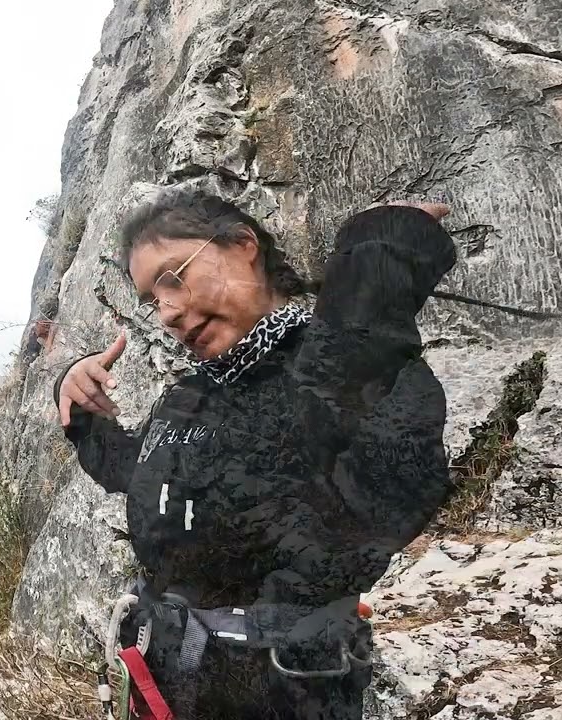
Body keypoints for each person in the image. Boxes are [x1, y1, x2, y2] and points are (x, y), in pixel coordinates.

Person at [52, 188, 457, 720]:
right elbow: (138, 472)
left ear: (244, 245)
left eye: (175, 277)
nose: (168, 313)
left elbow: (372, 474)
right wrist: (82, 411)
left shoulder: (333, 371)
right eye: (153, 299)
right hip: (167, 680)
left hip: (287, 692)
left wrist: (377, 264)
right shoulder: (190, 396)